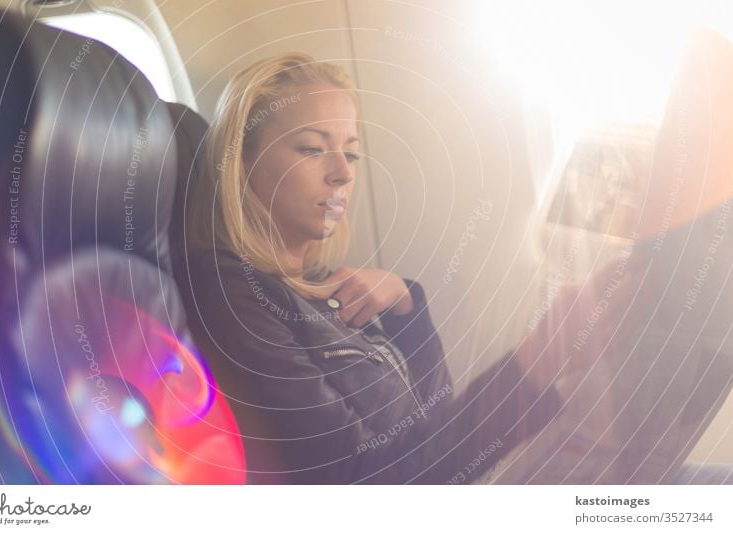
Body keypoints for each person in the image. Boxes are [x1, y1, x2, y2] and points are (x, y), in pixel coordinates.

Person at [173, 53, 703, 484]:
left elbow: (431, 422)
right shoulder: (230, 292)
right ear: (241, 163)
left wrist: (409, 305)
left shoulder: (324, 287)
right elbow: (359, 483)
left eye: (352, 155)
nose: (341, 175)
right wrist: (538, 361)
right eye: (313, 149)